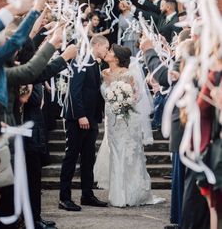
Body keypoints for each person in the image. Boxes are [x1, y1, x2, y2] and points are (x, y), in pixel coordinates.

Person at [94, 44, 164, 207]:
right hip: (111, 119)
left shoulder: (128, 74)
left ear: (117, 58)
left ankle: (132, 193)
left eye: (110, 51)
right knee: (115, 153)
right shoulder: (104, 73)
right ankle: (118, 194)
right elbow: (104, 94)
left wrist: (124, 103)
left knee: (130, 153)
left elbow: (138, 96)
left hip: (127, 119)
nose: (107, 52)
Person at [59, 35, 109, 211]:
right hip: (77, 118)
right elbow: (74, 90)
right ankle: (64, 198)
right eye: (105, 48)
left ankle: (87, 195)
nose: (106, 51)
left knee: (89, 158)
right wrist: (80, 115)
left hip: (91, 118)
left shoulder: (94, 63)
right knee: (71, 157)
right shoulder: (81, 60)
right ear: (97, 45)